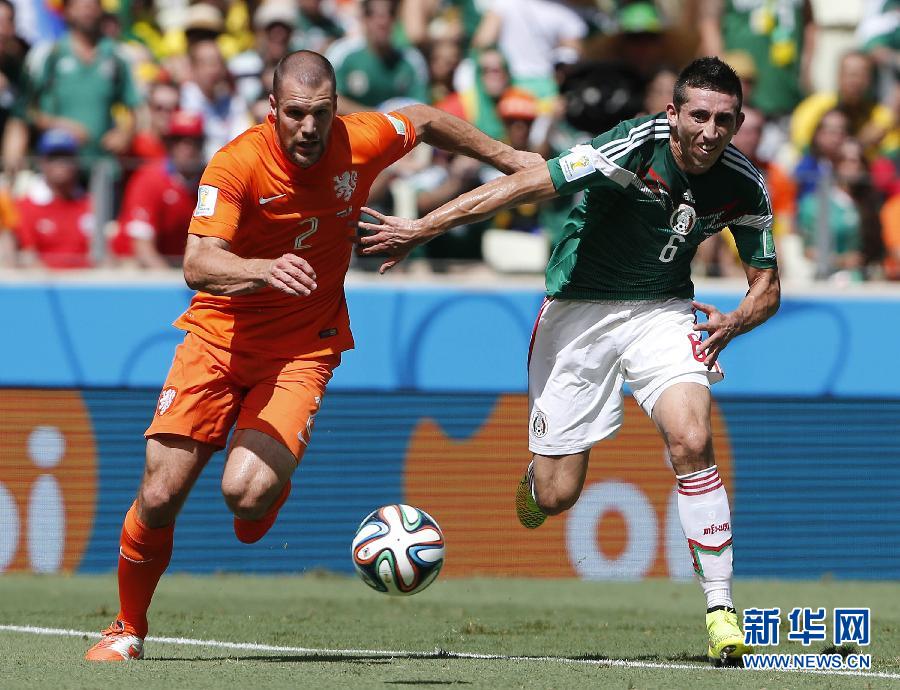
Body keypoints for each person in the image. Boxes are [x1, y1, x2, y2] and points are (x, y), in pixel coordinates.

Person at [83, 49, 541, 662]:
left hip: (303, 348)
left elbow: (427, 120)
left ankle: (268, 488)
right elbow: (197, 262)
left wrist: (511, 158)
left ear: (334, 110)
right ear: (272, 109)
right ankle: (127, 628)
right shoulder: (237, 163)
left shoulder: (361, 140)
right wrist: (260, 269)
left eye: (320, 114)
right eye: (295, 113)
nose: (308, 127)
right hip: (219, 339)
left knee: (246, 497)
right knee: (161, 494)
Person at [358, 56, 780, 665]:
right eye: (698, 116)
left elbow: (766, 287)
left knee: (692, 439)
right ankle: (536, 483)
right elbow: (527, 184)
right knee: (557, 496)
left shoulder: (746, 183)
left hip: (662, 310)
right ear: (673, 113)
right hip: (577, 313)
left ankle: (720, 612)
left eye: (723, 120)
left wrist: (736, 320)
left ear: (738, 122)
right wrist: (425, 226)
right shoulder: (634, 144)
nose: (709, 132)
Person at [111, 110, 205, 268]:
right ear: (168, 145)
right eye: (178, 140)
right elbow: (142, 249)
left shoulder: (210, 181)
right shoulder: (149, 179)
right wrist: (171, 283)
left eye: (193, 141)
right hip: (133, 266)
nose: (186, 148)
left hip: (182, 266)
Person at [12, 128, 95, 268]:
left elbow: (98, 253)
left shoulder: (90, 203)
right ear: (42, 162)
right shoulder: (26, 205)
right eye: (53, 157)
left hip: (86, 282)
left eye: (66, 157)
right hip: (44, 284)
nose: (60, 164)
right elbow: (28, 257)